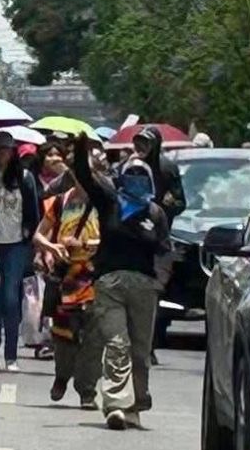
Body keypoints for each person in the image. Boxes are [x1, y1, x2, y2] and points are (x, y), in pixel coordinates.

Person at [72, 135, 168, 430]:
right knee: (117, 344)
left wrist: (160, 281)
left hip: (144, 287)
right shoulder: (110, 202)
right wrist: (80, 149)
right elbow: (85, 177)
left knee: (140, 350)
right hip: (110, 284)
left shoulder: (155, 213)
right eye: (131, 173)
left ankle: (136, 404)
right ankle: (115, 404)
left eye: (142, 174)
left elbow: (165, 251)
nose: (136, 178)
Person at [35, 162, 101, 408]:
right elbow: (38, 235)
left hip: (94, 278)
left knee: (93, 338)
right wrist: (51, 247)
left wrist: (88, 244)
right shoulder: (60, 202)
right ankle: (62, 376)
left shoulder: (104, 203)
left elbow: (113, 237)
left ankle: (87, 391)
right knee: (63, 335)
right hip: (66, 279)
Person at [0, 133, 41, 371]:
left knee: (11, 299)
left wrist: (30, 237)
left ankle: (11, 355)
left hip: (16, 244)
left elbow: (33, 212)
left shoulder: (24, 178)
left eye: (7, 149)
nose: (3, 153)